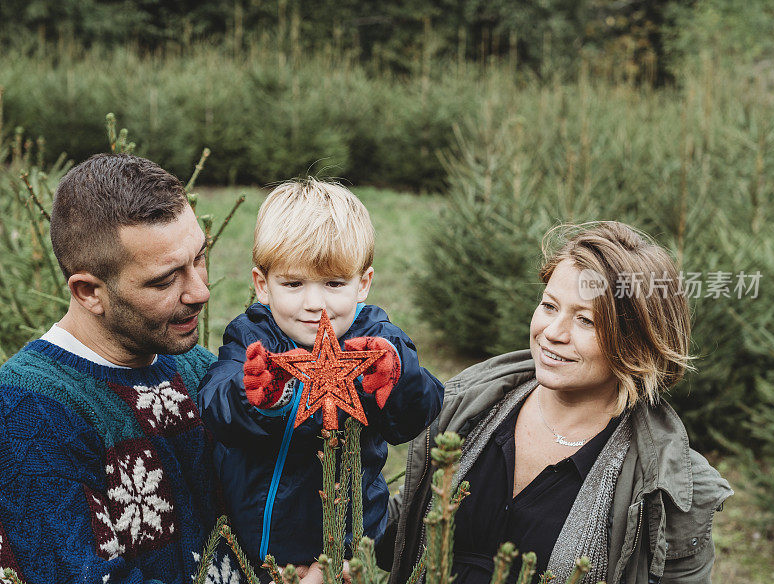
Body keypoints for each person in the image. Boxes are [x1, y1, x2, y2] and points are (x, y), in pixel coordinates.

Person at [378, 222, 733, 584]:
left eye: (585, 320)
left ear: (636, 342)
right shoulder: (467, 408)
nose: (552, 333)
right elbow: (394, 533)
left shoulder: (667, 490)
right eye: (549, 305)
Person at [198, 178, 444, 577]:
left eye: (334, 284)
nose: (315, 305)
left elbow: (419, 412)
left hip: (341, 549)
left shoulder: (379, 343)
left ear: (362, 283)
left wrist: (396, 379)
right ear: (262, 285)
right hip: (253, 547)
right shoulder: (252, 337)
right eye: (293, 284)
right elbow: (215, 405)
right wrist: (263, 394)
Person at [0, 154, 222, 583]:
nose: (200, 291)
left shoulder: (200, 370)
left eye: (200, 257)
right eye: (164, 280)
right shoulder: (28, 410)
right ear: (88, 292)